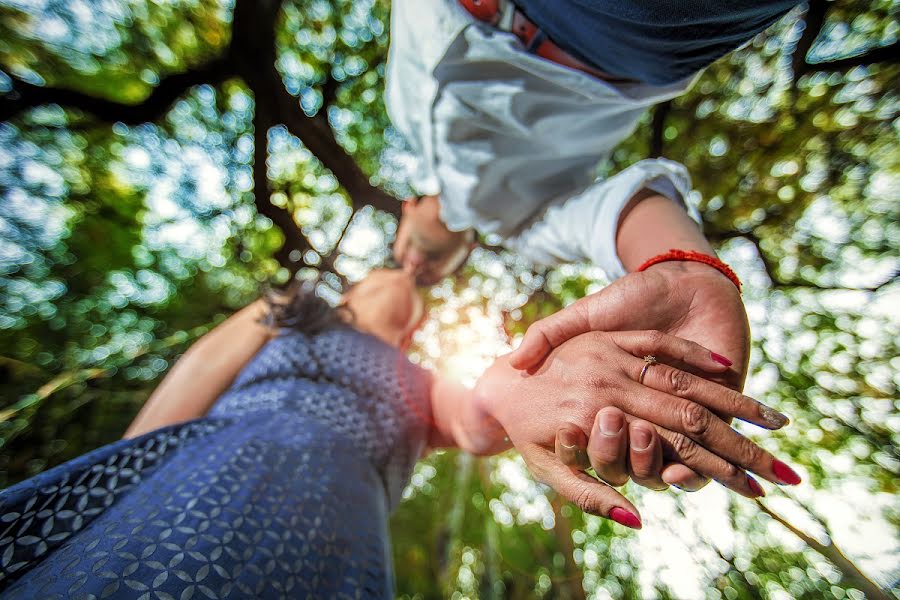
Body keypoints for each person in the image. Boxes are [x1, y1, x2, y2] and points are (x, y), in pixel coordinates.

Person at [0, 268, 797, 598]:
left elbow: (481, 407)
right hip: (193, 474)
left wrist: (538, 385)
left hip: (345, 535)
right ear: (348, 286)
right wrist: (111, 501)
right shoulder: (280, 316)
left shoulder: (424, 381)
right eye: (398, 279)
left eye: (420, 301)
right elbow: (175, 401)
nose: (409, 294)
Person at [386, 0, 803, 495]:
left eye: (399, 256)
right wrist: (683, 268)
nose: (415, 266)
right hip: (613, 31)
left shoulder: (401, 112)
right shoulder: (524, 228)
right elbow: (611, 211)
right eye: (431, 275)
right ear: (467, 255)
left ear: (406, 208)